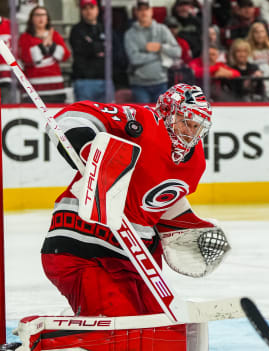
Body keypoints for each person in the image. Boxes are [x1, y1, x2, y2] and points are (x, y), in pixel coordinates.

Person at [41, 83, 221, 318]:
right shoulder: (141, 120)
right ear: (167, 111)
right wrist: (91, 151)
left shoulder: (196, 163)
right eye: (186, 121)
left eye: (198, 126)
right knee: (121, 325)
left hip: (135, 257)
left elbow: (159, 204)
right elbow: (69, 118)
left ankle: (83, 318)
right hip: (82, 247)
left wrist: (185, 226)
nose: (191, 132)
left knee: (163, 326)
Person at [125, 0, 182, 103]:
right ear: (135, 12)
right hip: (139, 85)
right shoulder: (130, 34)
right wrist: (158, 55)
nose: (144, 12)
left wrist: (161, 48)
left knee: (161, 117)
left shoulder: (162, 29)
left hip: (161, 83)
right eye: (140, 9)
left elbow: (177, 52)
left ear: (151, 11)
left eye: (146, 9)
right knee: (143, 118)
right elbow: (134, 59)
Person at [18, 6, 71, 103]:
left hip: (56, 87)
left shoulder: (54, 35)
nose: (41, 18)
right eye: (37, 15)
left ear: (47, 18)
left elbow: (66, 56)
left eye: (43, 15)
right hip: (34, 88)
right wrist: (43, 46)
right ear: (32, 18)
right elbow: (26, 58)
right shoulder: (25, 37)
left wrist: (52, 46)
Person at [69, 0, 110, 102]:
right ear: (81, 11)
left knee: (106, 116)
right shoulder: (76, 30)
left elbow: (112, 51)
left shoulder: (105, 28)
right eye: (85, 8)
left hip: (105, 79)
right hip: (84, 80)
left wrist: (92, 45)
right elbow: (81, 50)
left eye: (91, 7)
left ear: (97, 10)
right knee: (85, 116)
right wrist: (99, 47)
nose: (88, 11)